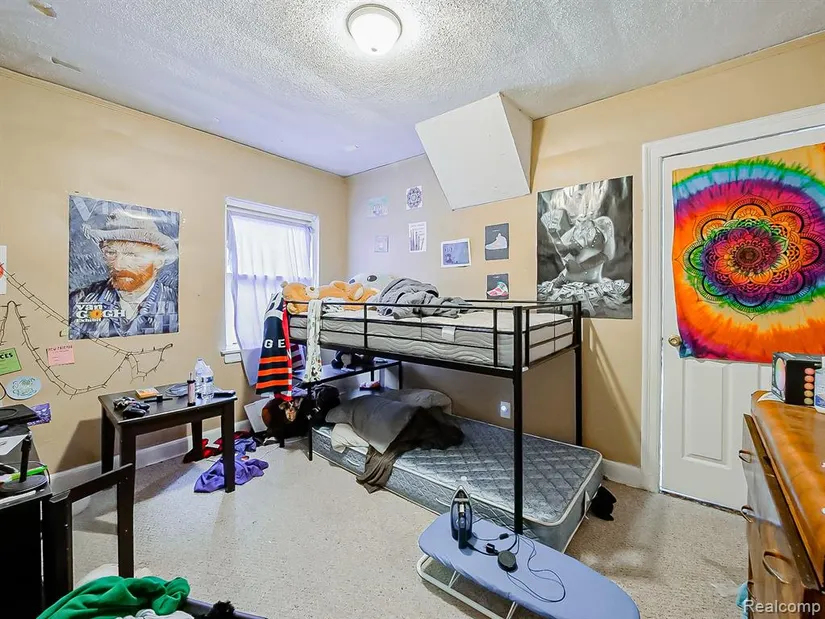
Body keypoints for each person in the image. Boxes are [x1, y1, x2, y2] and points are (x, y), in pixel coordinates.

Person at [69, 210, 179, 339]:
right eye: (111, 253)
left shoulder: (176, 302)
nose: (118, 265)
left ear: (159, 261)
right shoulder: (79, 300)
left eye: (132, 255)